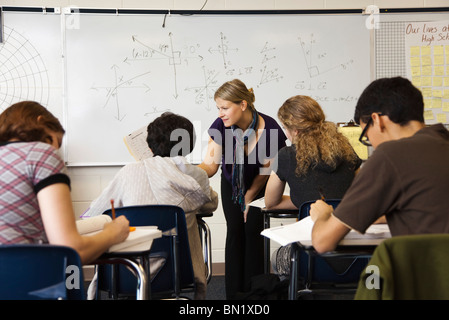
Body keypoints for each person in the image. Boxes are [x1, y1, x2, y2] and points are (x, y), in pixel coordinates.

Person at [84, 112, 218, 300]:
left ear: (149, 145)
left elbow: (96, 212)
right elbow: (210, 204)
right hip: (180, 274)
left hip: (126, 274)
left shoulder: (128, 172)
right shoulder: (196, 175)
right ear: (189, 145)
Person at [310, 76, 449, 254]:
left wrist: (323, 216)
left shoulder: (390, 155)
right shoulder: (442, 142)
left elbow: (323, 242)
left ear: (377, 120)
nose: (373, 144)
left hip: (427, 276)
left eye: (366, 136)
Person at [0, 101, 130, 264]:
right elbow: (70, 249)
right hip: (22, 279)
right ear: (41, 122)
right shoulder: (40, 153)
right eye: (56, 143)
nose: (56, 151)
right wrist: (113, 233)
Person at [198, 79, 287, 299]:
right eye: (218, 108)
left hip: (260, 185)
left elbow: (267, 170)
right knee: (235, 231)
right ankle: (234, 296)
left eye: (225, 107)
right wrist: (185, 170)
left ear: (243, 105)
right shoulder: (221, 126)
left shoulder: (270, 127)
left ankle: (255, 294)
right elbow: (210, 166)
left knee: (253, 233)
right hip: (231, 184)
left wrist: (248, 196)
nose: (220, 113)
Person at [264, 95, 362, 278]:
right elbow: (358, 193)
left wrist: (306, 201)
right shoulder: (346, 148)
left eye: (285, 128)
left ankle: (296, 291)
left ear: (296, 131)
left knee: (277, 259)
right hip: (356, 255)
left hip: (309, 257)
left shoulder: (286, 155)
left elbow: (271, 203)